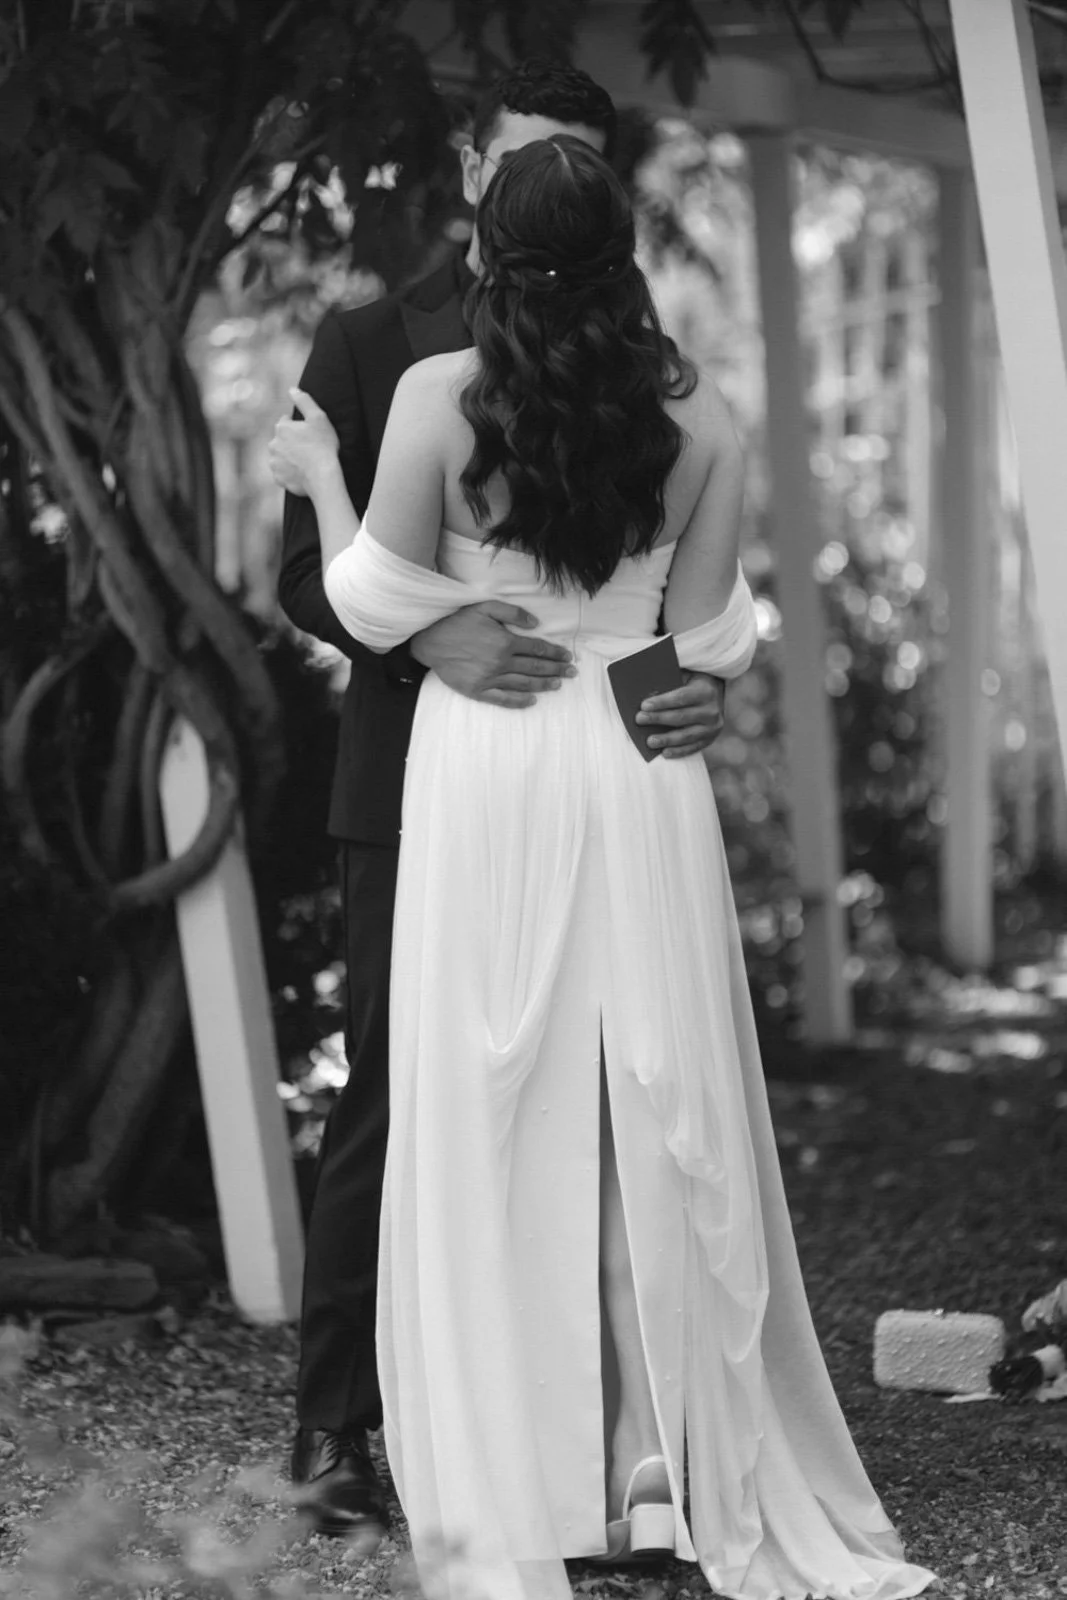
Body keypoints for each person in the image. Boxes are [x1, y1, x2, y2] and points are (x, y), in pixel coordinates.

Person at [269, 134, 936, 1600]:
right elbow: (686, 647)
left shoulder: (443, 399)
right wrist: (665, 670)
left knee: (496, 1096)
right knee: (646, 1084)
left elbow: (368, 596)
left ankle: (528, 1462)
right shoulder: (700, 419)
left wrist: (321, 475)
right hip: (633, 770)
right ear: (623, 256)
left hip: (486, 765)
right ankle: (650, 1462)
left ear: (489, 257)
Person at [276, 59, 728, 1540]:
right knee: (408, 1101)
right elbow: (309, 583)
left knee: (592, 1097)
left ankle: (558, 1450)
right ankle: (346, 1431)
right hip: (442, 767)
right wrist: (438, 631)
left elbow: (362, 556)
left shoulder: (462, 389)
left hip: (515, 774)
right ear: (475, 168)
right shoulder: (364, 342)